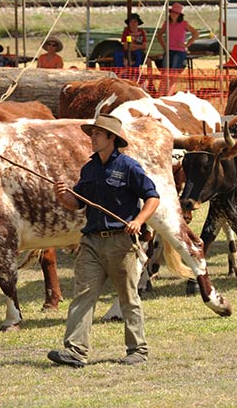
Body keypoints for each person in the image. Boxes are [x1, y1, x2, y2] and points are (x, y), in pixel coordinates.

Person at [48, 114, 160, 368]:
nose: (92, 138)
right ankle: (75, 352)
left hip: (121, 242)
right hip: (91, 242)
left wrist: (139, 220)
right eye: (92, 133)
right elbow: (78, 204)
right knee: (82, 295)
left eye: (98, 134)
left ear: (112, 138)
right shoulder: (89, 168)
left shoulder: (130, 167)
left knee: (128, 297)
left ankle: (137, 350)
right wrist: (63, 196)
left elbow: (152, 197)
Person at [158, 3, 200, 70]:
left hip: (179, 50)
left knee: (174, 70)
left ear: (179, 15)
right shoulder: (167, 23)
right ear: (170, 13)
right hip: (168, 50)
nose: (174, 14)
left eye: (176, 13)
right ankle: (168, 80)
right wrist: (164, 46)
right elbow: (159, 35)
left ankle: (173, 79)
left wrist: (186, 45)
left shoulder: (184, 23)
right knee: (165, 70)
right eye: (172, 12)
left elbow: (195, 33)